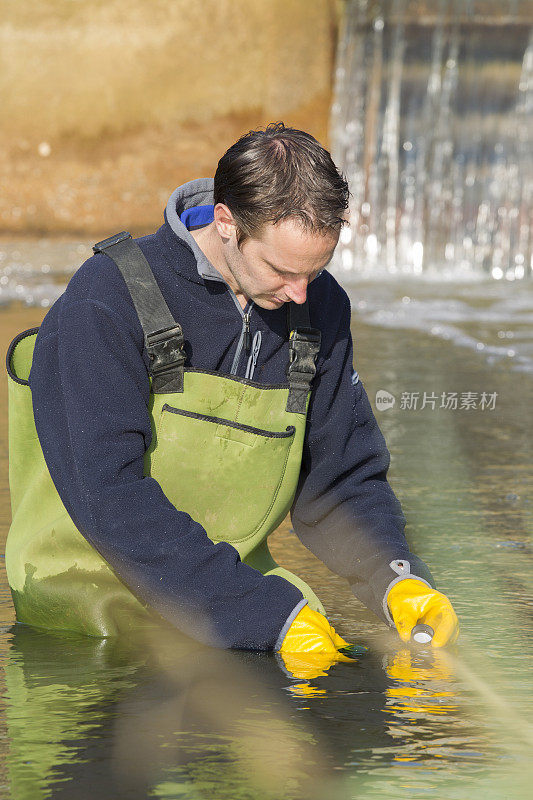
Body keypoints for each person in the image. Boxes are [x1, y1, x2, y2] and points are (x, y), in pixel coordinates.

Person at [5, 123, 458, 660]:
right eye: (281, 269)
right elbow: (108, 494)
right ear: (225, 223)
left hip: (238, 589)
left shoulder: (319, 305)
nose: (300, 293)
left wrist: (396, 578)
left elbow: (339, 483)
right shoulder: (105, 299)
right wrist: (262, 615)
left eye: (316, 270)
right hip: (89, 607)